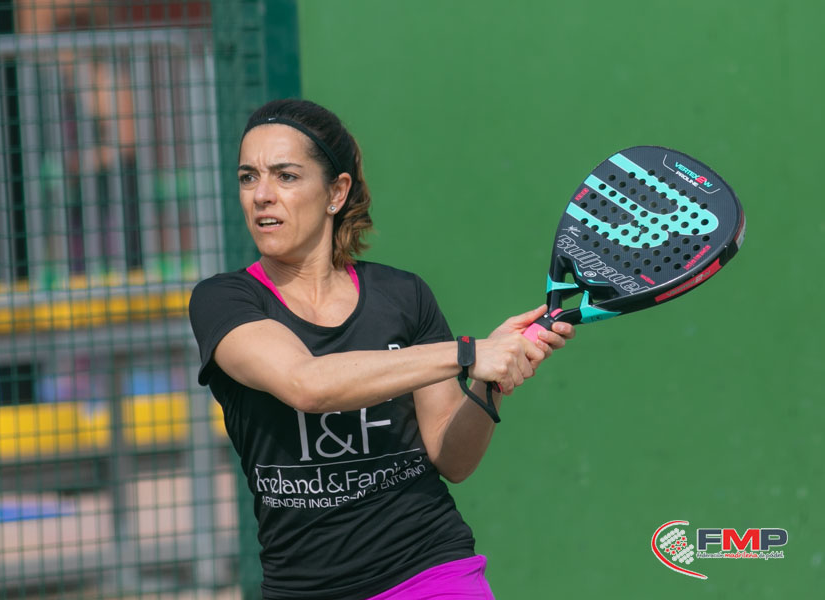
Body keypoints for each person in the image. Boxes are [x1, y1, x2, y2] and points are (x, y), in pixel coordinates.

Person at [189, 99, 575, 600]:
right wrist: (466, 354)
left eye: (285, 176)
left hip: (431, 570)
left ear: (336, 192)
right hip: (302, 587)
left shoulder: (404, 296)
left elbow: (452, 459)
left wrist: (489, 382)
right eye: (248, 177)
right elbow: (307, 385)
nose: (262, 195)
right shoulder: (224, 301)